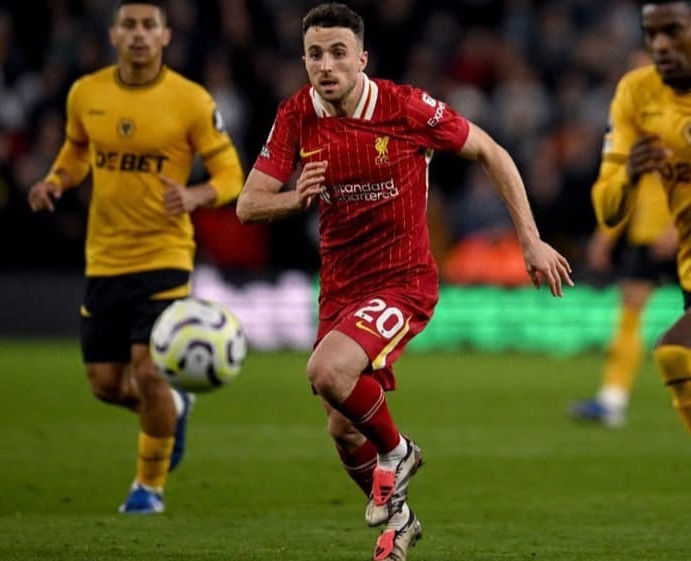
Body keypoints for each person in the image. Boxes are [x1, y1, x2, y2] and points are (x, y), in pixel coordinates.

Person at [236, 3, 573, 560]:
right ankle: (401, 521)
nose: (326, 65)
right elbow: (248, 205)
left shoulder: (405, 107)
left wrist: (530, 241)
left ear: (362, 59)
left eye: (338, 52)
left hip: (402, 279)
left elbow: (492, 152)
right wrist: (294, 199)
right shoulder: (296, 114)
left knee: (326, 370)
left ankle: (398, 452)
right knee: (343, 430)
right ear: (304, 60)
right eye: (315, 54)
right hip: (339, 286)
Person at [27, 0, 244, 514]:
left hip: (166, 255)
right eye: (130, 25)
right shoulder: (86, 93)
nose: (139, 34)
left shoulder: (191, 100)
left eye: (150, 25)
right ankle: (175, 406)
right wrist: (56, 180)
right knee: (106, 384)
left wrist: (194, 196)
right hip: (105, 257)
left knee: (148, 371)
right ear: (114, 34)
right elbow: (77, 150)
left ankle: (148, 488)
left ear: (166, 36)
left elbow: (231, 176)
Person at [592, 0, 691, 441]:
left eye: (673, 32)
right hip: (654, 234)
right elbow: (610, 201)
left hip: (670, 233)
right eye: (652, 35)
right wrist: (628, 179)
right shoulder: (636, 100)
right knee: (648, 326)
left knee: (674, 349)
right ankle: (613, 396)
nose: (661, 46)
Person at [568, 211, 676, 428]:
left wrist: (676, 228)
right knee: (629, 319)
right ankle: (612, 400)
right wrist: (604, 237)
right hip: (647, 238)